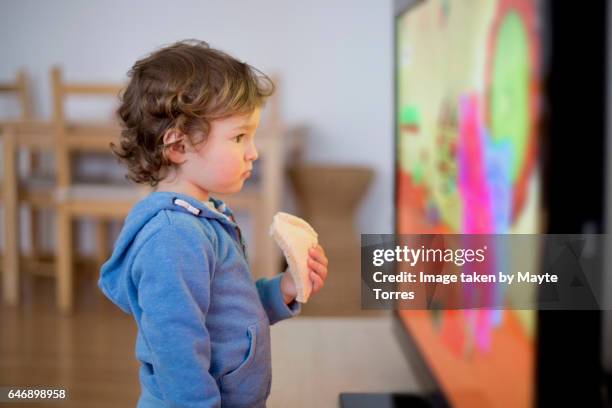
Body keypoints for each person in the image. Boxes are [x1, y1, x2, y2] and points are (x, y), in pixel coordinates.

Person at [98, 39, 329, 407]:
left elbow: (228, 313)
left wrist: (282, 288)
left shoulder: (206, 216)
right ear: (178, 147)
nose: (253, 151)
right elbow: (177, 351)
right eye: (239, 137)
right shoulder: (174, 238)